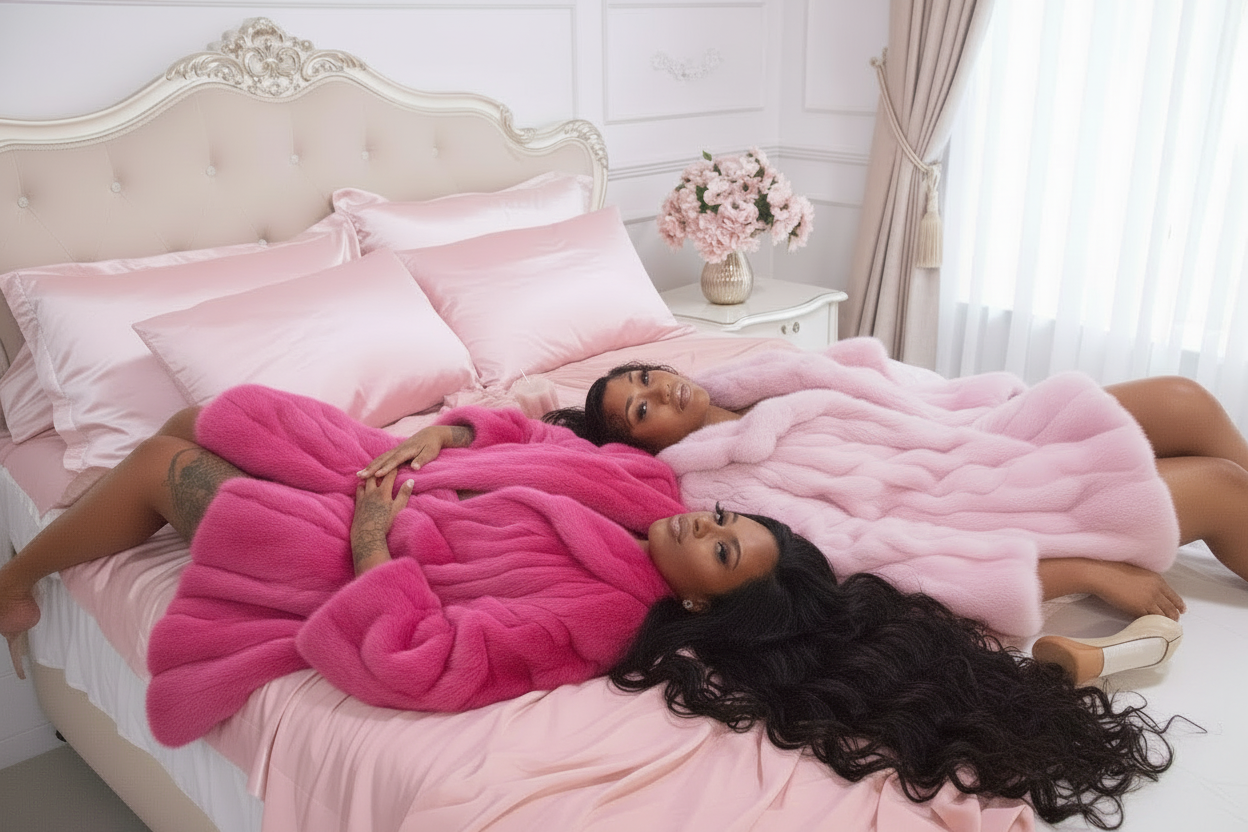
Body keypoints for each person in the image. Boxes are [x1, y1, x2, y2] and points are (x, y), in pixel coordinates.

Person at [0, 384, 1174, 828]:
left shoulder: (598, 618)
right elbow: (531, 426)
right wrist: (446, 427)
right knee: (208, 415)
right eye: (722, 520)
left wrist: (371, 544)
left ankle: (16, 580)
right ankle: (139, 486)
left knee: (164, 472)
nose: (697, 522)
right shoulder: (641, 480)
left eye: (716, 547)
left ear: (711, 602)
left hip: (351, 546)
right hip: (403, 464)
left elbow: (419, 661)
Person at [544, 337, 1248, 640]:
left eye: (645, 375)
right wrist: (1082, 571)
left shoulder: (757, 375)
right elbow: (866, 557)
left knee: (1186, 400)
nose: (659, 389)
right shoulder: (719, 484)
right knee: (1221, 489)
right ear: (650, 444)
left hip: (975, 431)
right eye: (643, 410)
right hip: (973, 501)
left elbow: (904, 394)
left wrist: (986, 409)